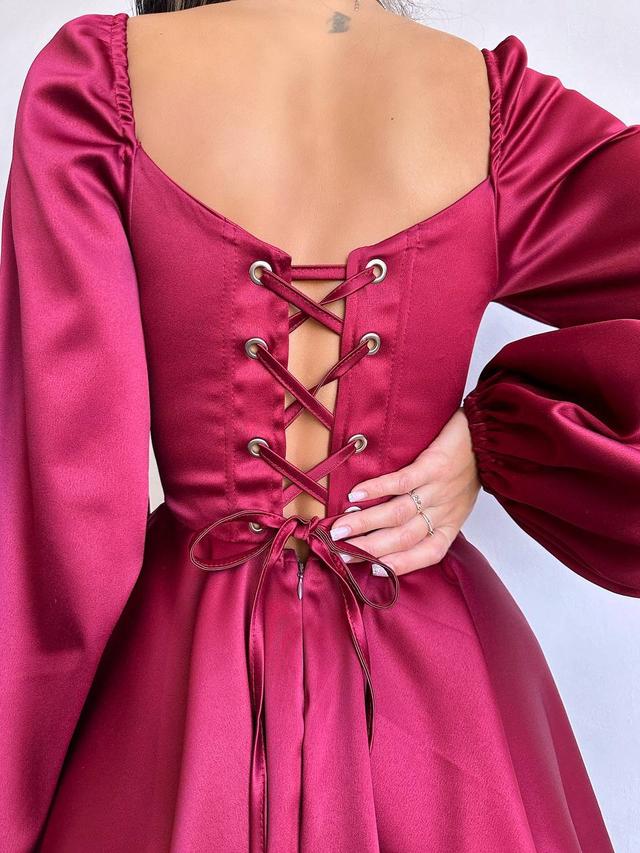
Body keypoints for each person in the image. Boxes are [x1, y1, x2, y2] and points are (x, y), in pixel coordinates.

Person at [1, 1, 638, 850]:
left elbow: (65, 485)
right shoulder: (492, 107)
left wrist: (499, 434)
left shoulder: (98, 87)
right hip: (436, 682)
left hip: (178, 683)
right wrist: (496, 438)